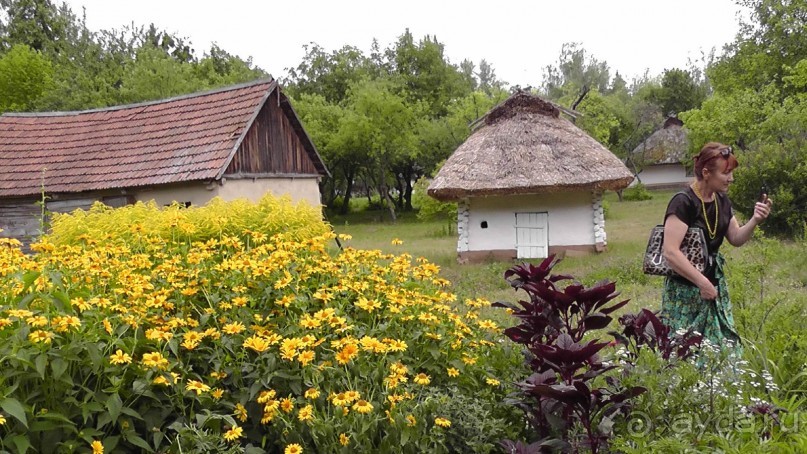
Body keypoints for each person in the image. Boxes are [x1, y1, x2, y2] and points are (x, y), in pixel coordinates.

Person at [661, 142, 772, 348]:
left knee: (722, 348)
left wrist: (755, 220)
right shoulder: (683, 202)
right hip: (685, 291)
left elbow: (736, 238)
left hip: (714, 284)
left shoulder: (722, 200)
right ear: (706, 172)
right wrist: (702, 283)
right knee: (683, 350)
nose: (731, 178)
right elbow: (670, 252)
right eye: (726, 173)